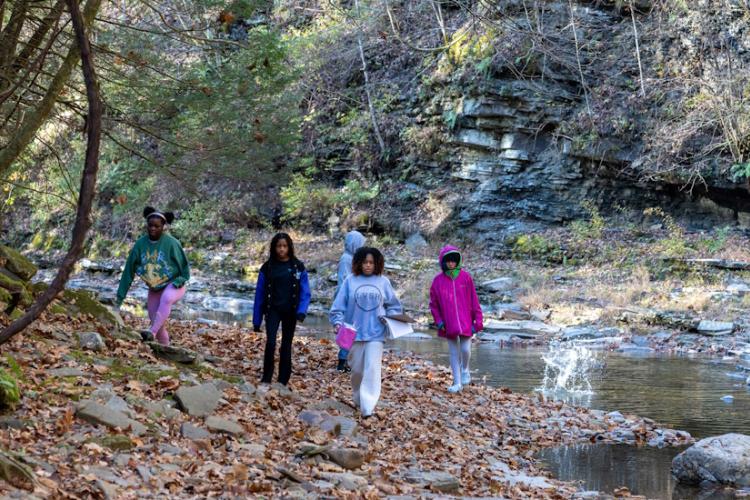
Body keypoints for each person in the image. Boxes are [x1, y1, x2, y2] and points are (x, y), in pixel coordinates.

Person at [330, 247, 402, 417]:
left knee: (372, 369)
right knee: (357, 371)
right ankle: (358, 399)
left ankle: (367, 407)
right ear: (358, 263)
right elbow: (337, 308)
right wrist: (338, 323)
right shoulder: (350, 281)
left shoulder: (383, 282)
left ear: (377, 264)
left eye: (371, 262)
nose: (368, 266)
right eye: (365, 262)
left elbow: (394, 306)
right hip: (353, 334)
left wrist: (389, 318)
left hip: (376, 333)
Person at [116, 206, 190, 346]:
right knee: (156, 321)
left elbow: (185, 270)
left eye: (157, 226)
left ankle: (152, 332)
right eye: (150, 225)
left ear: (163, 226)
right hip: (155, 288)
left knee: (166, 299)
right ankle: (165, 350)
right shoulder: (140, 244)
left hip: (174, 284)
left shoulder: (172, 244)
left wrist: (180, 281)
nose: (153, 229)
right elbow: (128, 272)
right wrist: (119, 299)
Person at [252, 233, 311, 386]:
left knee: (286, 344)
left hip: (291, 311)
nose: (281, 249)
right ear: (274, 248)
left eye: (284, 246)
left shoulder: (298, 267)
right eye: (279, 246)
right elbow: (259, 293)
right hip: (272, 310)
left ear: (289, 247)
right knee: (271, 343)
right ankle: (266, 377)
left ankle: (283, 380)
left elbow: (306, 291)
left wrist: (302, 311)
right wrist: (256, 320)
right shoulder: (267, 268)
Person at [429, 245, 483, 393]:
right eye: (448, 261)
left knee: (465, 349)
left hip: (466, 322)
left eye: (454, 261)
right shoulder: (437, 281)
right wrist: (439, 322)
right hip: (448, 324)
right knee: (453, 352)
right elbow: (434, 305)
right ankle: (457, 382)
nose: (451, 263)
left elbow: (474, 300)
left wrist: (477, 321)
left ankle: (465, 369)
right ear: (443, 262)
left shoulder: (466, 277)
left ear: (458, 261)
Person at [334, 230, 366, 372]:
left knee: (353, 330)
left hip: (354, 297)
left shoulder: (353, 258)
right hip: (346, 298)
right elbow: (343, 281)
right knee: (347, 331)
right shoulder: (346, 259)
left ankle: (348, 361)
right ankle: (342, 362)